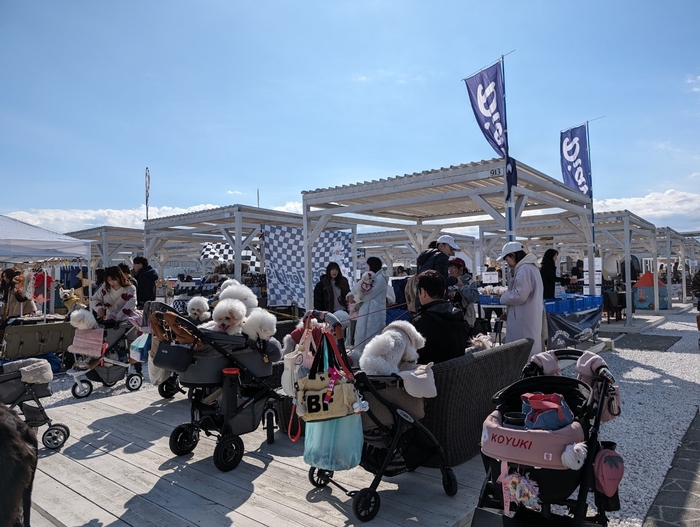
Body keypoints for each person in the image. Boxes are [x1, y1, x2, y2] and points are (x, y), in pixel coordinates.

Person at [497, 241, 545, 358]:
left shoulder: (524, 269)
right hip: (529, 316)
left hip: (523, 319)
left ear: (513, 255)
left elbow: (520, 295)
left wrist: (503, 296)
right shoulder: (531, 267)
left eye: (507, 259)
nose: (507, 263)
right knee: (530, 351)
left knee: (521, 354)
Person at [411, 270, 469, 364]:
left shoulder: (422, 322)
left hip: (430, 372)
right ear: (444, 291)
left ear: (423, 292)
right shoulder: (459, 316)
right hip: (458, 371)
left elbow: (412, 358)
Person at [348, 256, 387, 356]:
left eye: (367, 264)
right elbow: (355, 288)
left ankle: (371, 361)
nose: (366, 267)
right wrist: (350, 295)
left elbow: (368, 295)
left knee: (372, 342)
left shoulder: (380, 279)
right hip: (365, 313)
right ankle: (359, 359)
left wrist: (355, 299)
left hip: (375, 315)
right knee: (361, 340)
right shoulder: (367, 276)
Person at [447, 257, 479, 330]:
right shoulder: (448, 281)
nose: (450, 270)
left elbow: (473, 298)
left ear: (461, 269)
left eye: (453, 268)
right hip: (451, 317)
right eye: (449, 268)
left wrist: (461, 286)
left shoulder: (470, 281)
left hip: (466, 318)